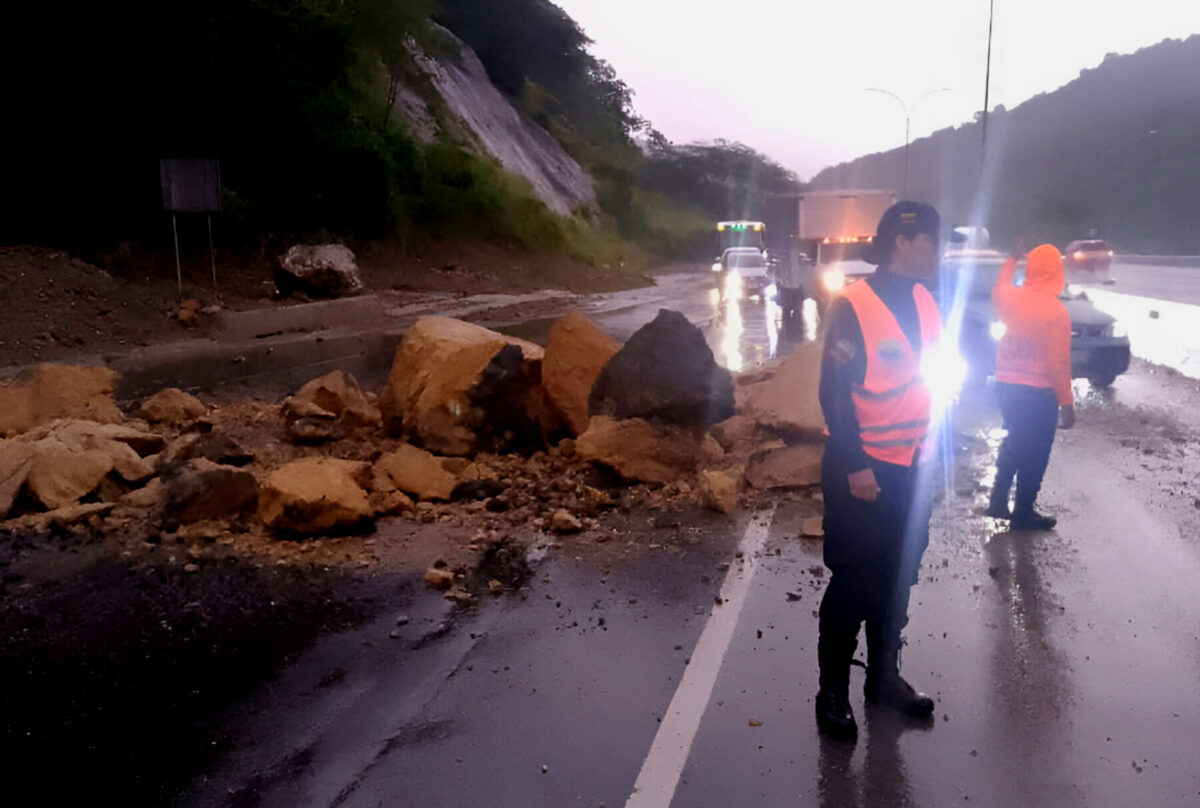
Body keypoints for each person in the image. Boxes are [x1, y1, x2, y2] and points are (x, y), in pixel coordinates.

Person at [814, 201, 942, 741]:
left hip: (915, 468)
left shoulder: (928, 300)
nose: (938, 251)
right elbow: (833, 393)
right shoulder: (853, 304)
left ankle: (883, 679)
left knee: (898, 577)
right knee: (855, 581)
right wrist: (855, 465)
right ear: (903, 242)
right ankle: (832, 692)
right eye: (932, 240)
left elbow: (932, 382)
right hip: (864, 473)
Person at [986, 243, 1075, 529]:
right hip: (1038, 393)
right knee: (1035, 451)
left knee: (1015, 439)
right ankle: (1024, 509)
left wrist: (1012, 258)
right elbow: (1057, 362)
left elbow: (999, 286)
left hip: (1006, 385)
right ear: (1057, 272)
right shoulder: (1057, 312)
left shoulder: (1010, 298)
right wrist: (1066, 402)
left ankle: (998, 499)